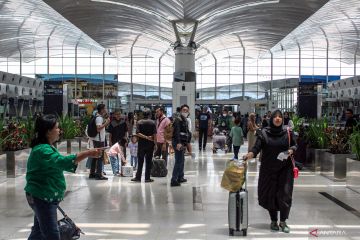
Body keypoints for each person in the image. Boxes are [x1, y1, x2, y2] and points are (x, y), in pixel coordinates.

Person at [24, 114, 102, 240]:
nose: (60, 130)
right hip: (42, 197)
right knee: (52, 234)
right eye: (57, 128)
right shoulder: (42, 150)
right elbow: (62, 162)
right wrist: (88, 153)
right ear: (48, 131)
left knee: (38, 233)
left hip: (44, 196)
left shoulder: (46, 147)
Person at [243, 110, 297, 233]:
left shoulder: (288, 132)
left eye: (280, 117)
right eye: (275, 117)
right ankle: (273, 220)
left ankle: (283, 221)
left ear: (282, 119)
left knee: (285, 194)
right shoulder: (264, 133)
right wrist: (249, 155)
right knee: (270, 194)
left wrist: (290, 151)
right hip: (268, 169)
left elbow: (295, 145)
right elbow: (256, 148)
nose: (278, 119)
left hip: (285, 169)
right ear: (271, 119)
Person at [131, 109, 157, 183]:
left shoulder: (139, 122)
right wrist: (155, 143)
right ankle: (147, 178)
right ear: (149, 115)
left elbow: (137, 133)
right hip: (150, 144)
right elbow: (155, 134)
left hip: (141, 145)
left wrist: (145, 137)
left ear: (143, 114)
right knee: (148, 162)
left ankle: (138, 177)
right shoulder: (153, 122)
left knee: (140, 161)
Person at [89, 103, 110, 180]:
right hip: (99, 140)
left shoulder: (98, 117)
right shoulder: (99, 118)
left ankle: (92, 173)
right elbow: (98, 128)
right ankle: (98, 174)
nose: (106, 110)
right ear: (102, 109)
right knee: (100, 157)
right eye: (105, 108)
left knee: (95, 156)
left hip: (97, 139)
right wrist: (106, 123)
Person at [171, 104, 190, 187]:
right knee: (178, 161)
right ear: (181, 110)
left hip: (182, 142)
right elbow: (177, 132)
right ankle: (173, 180)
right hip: (177, 142)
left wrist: (185, 143)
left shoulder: (185, 120)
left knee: (182, 160)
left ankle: (180, 177)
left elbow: (185, 133)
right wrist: (179, 143)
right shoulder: (178, 120)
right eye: (184, 110)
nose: (185, 111)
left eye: (187, 110)